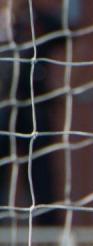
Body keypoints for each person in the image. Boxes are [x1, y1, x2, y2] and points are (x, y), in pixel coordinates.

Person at [0, 0, 65, 225]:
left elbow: (73, 39)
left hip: (35, 107)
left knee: (40, 173)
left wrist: (61, 83)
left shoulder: (40, 21)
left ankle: (46, 230)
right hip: (3, 107)